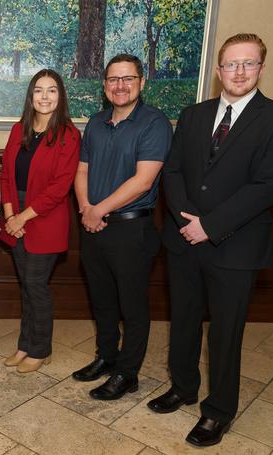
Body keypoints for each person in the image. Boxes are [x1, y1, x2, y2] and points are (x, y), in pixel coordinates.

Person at [148, 33, 273, 447]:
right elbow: (174, 172)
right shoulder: (194, 115)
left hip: (235, 247)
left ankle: (218, 411)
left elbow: (266, 187)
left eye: (248, 64)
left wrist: (209, 226)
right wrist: (187, 222)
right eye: (231, 64)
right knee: (182, 321)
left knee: (225, 333)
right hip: (184, 240)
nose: (239, 71)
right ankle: (182, 387)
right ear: (218, 70)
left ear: (261, 69)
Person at [72, 54, 172, 400]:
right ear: (104, 85)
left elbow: (143, 181)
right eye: (114, 79)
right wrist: (86, 208)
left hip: (132, 230)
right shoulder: (96, 123)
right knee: (101, 300)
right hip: (93, 225)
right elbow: (81, 171)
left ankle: (127, 374)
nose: (120, 85)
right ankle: (106, 357)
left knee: (132, 306)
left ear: (141, 83)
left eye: (128, 78)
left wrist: (99, 209)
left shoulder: (154, 123)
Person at [0, 69, 80, 373]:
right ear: (30, 96)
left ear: (61, 96)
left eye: (52, 90)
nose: (45, 97)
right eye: (39, 90)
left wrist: (22, 216)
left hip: (44, 220)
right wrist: (10, 216)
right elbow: (6, 175)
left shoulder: (69, 134)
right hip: (14, 216)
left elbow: (59, 188)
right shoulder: (19, 129)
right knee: (26, 287)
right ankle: (24, 345)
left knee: (36, 284)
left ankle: (41, 348)